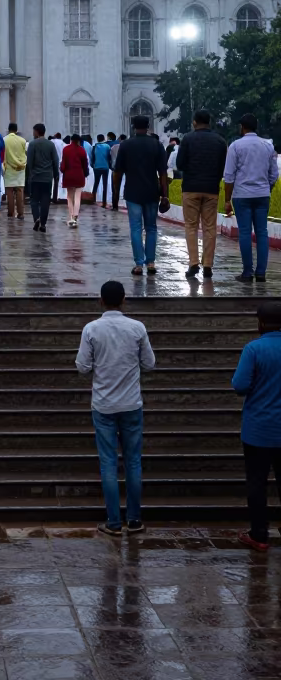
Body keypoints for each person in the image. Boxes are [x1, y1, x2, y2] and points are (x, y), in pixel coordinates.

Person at [75, 279, 156, 536]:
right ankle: (134, 520)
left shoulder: (91, 329)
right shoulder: (137, 327)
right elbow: (150, 363)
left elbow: (82, 366)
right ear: (124, 301)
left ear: (101, 301)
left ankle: (112, 522)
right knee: (133, 461)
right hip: (132, 403)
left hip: (103, 405)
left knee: (108, 463)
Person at [232, 302, 281, 551]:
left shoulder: (254, 349)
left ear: (260, 323)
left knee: (257, 482)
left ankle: (259, 535)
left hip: (258, 430)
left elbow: (240, 384)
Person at [224, 113, 279, 283]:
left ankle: (247, 273)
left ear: (242, 127)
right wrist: (266, 188)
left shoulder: (235, 146)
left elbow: (229, 176)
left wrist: (227, 200)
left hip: (242, 195)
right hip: (262, 194)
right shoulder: (268, 146)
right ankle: (261, 273)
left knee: (245, 233)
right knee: (262, 233)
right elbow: (274, 174)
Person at [113, 116, 169, 276]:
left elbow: (118, 172)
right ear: (148, 126)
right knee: (151, 228)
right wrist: (165, 194)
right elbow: (163, 173)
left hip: (132, 192)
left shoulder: (126, 145)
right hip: (151, 192)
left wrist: (116, 190)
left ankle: (139, 264)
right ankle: (151, 262)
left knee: (136, 228)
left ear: (133, 127)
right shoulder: (156, 144)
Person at [175, 110, 227, 280]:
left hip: (191, 187)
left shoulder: (188, 139)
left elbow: (180, 163)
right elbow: (222, 167)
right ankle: (208, 265)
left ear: (195, 122)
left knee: (191, 226)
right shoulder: (220, 141)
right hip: (211, 188)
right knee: (209, 227)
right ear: (209, 122)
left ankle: (193, 263)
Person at [26, 124, 59, 232]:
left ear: (36, 132)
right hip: (47, 177)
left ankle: (36, 218)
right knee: (45, 200)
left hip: (35, 177)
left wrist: (30, 174)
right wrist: (55, 174)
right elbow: (55, 160)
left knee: (34, 200)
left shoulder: (32, 144)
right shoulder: (50, 144)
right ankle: (43, 223)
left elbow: (29, 161)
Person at [61, 133, 89, 227]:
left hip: (68, 175)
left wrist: (62, 170)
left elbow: (63, 164)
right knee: (77, 196)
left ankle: (71, 216)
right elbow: (85, 164)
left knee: (69, 197)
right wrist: (85, 173)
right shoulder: (82, 150)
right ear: (78, 141)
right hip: (79, 175)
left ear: (71, 140)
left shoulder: (66, 149)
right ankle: (76, 214)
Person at [3, 122, 28, 220]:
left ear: (8, 130)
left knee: (9, 191)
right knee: (20, 191)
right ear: (16, 130)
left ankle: (10, 212)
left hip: (9, 168)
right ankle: (21, 213)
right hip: (21, 169)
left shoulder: (4, 140)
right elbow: (25, 152)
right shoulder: (22, 140)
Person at [91, 134, 112, 207]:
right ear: (103, 139)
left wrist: (93, 165)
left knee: (96, 183)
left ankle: (93, 199)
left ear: (97, 139)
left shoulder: (94, 147)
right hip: (105, 167)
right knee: (105, 184)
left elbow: (92, 158)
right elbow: (109, 157)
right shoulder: (107, 146)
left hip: (97, 167)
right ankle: (104, 202)